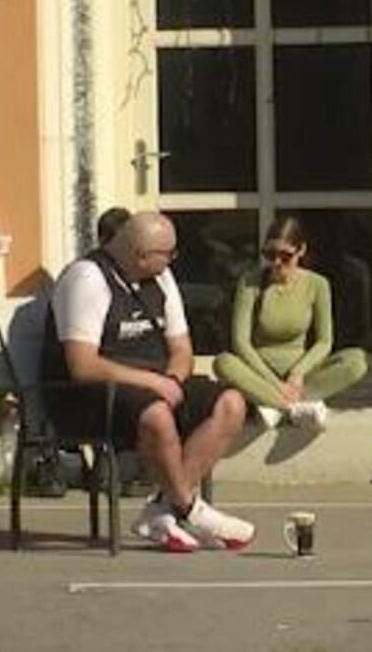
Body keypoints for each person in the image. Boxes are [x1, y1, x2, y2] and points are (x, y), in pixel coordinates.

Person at [42, 211, 255, 552]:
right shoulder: (87, 279)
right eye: (167, 254)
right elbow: (82, 365)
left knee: (231, 403)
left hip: (155, 384)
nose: (172, 260)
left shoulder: (161, 278)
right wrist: (154, 384)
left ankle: (161, 510)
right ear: (140, 255)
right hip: (90, 396)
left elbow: (182, 348)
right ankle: (191, 509)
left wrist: (172, 379)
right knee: (156, 414)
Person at [214, 216, 368, 432]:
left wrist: (298, 373)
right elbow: (241, 343)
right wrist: (277, 386)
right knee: (223, 363)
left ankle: (275, 405)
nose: (276, 262)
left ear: (301, 250)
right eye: (270, 255)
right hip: (260, 374)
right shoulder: (250, 282)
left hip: (301, 376)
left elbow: (324, 341)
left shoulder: (317, 284)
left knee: (356, 361)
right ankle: (292, 406)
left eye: (285, 256)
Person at [25, 206, 135, 499]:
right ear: (105, 242)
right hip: (73, 391)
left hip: (103, 382)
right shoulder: (86, 280)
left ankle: (134, 467)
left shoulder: (126, 279)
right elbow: (83, 361)